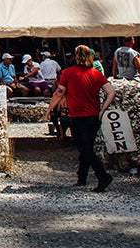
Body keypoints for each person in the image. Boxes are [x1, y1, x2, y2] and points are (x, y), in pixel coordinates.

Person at [48, 44, 116, 192]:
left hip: (78, 115)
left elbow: (59, 93)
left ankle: (102, 175)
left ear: (76, 56)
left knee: (84, 148)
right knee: (86, 147)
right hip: (94, 116)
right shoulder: (97, 74)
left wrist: (50, 108)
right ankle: (82, 177)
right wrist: (102, 110)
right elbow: (111, 92)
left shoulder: (68, 73)